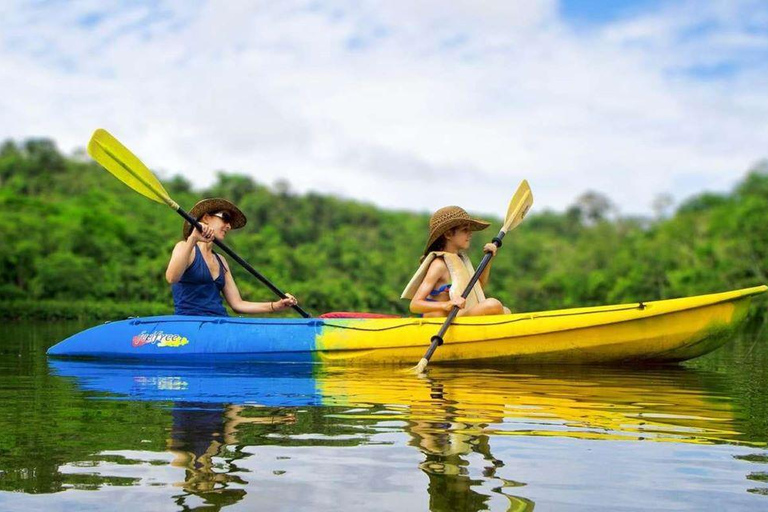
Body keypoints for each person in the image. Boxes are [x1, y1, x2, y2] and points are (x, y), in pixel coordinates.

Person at [166, 198, 297, 316]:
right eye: (225, 217)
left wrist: (275, 305)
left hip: (219, 323)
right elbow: (172, 277)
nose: (228, 226)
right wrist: (193, 238)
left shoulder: (221, 260)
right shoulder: (184, 247)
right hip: (190, 326)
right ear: (206, 218)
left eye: (230, 223)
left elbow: (238, 304)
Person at [401, 206, 510, 318]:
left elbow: (478, 288)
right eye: (464, 230)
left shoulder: (459, 260)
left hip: (458, 317)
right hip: (441, 321)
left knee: (505, 311)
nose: (470, 233)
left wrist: (489, 258)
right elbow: (415, 305)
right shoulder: (439, 264)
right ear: (448, 234)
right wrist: (446, 305)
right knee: (493, 304)